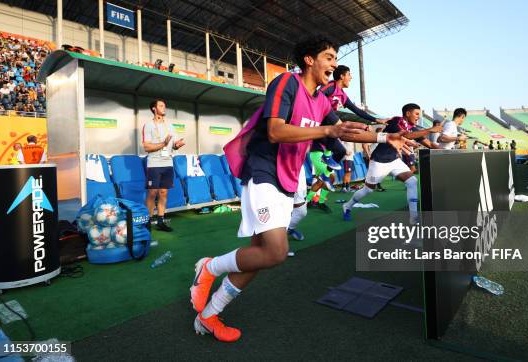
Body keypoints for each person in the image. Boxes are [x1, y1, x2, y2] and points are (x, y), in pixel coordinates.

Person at [189, 36, 410, 342]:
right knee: (276, 252)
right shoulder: (285, 83)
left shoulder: (321, 100)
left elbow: (341, 132)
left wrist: (386, 139)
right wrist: (326, 129)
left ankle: (209, 316)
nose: (334, 64)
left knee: (259, 253)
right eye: (330, 57)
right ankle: (209, 268)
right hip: (264, 171)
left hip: (288, 180)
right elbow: (275, 131)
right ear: (309, 59)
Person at [305, 65, 389, 210]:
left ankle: (319, 199)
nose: (351, 77)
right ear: (342, 76)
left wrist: (375, 120)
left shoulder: (342, 95)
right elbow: (315, 96)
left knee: (340, 155)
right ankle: (307, 200)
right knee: (344, 133)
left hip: (329, 130)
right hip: (319, 129)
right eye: (349, 74)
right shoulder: (330, 87)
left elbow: (356, 110)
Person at [343, 103, 441, 224]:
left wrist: (448, 152)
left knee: (412, 181)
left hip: (394, 161)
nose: (418, 117)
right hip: (379, 161)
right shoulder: (396, 121)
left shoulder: (413, 128)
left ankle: (414, 218)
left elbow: (430, 145)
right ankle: (347, 206)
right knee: (368, 190)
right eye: (416, 114)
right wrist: (430, 129)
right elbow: (407, 135)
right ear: (407, 113)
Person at [142, 98, 185, 232]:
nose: (164, 107)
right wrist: (163, 144)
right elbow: (146, 147)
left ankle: (160, 221)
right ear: (154, 108)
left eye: (164, 105)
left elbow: (174, 144)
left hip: (168, 162)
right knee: (152, 193)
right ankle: (147, 222)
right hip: (154, 163)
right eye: (161, 105)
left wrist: (177, 145)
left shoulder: (170, 125)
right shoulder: (148, 125)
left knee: (163, 192)